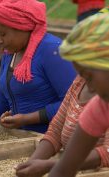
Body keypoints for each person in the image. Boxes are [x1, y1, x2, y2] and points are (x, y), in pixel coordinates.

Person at [0, 0, 76, 141]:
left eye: (2, 34)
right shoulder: (10, 54)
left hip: (52, 142)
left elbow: (73, 103)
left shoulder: (52, 50)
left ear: (21, 26)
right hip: (23, 139)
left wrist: (27, 119)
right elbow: (2, 102)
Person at [48, 12, 109, 177]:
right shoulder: (102, 105)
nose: (89, 86)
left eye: (89, 76)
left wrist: (48, 165)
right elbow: (65, 168)